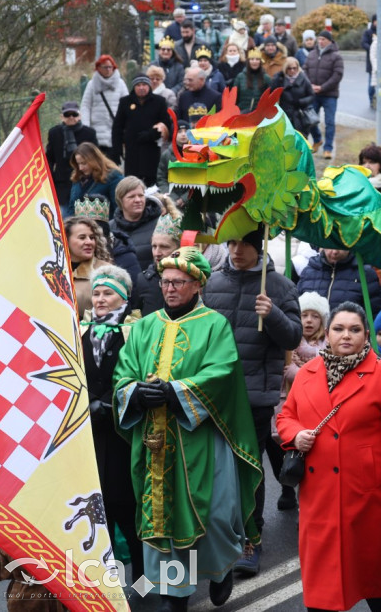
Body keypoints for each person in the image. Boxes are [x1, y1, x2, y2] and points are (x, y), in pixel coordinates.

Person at [113, 247, 263, 612]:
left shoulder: (214, 324)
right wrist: (135, 392)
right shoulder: (144, 326)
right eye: (165, 281)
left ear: (197, 285)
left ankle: (220, 567)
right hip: (155, 442)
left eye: (178, 282)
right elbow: (124, 373)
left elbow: (223, 371)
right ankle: (173, 597)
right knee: (161, 520)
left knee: (211, 514)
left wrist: (176, 391)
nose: (170, 288)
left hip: (200, 436)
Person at [277, 301, 381, 612]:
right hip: (318, 493)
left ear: (366, 335)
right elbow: (285, 417)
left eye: (354, 330)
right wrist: (295, 434)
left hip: (366, 491)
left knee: (373, 571)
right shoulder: (306, 374)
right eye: (339, 329)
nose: (346, 335)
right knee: (320, 575)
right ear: (327, 334)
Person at [203, 227, 302, 577]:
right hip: (213, 396)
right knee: (215, 470)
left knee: (248, 469)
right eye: (231, 243)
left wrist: (272, 312)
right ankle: (216, 537)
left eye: (244, 243)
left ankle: (251, 539)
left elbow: (292, 335)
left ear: (258, 246)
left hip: (254, 397)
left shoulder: (279, 286)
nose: (237, 250)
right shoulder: (212, 283)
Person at [80, 265, 143, 584]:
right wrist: (89, 400)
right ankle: (110, 585)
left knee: (127, 511)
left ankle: (143, 582)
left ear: (122, 298)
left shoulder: (134, 331)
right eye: (96, 293)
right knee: (98, 515)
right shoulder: (79, 330)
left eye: (107, 293)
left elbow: (139, 373)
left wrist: (109, 402)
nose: (100, 299)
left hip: (123, 435)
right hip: (90, 438)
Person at [279, 291, 330, 511]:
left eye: (314, 316)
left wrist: (296, 372)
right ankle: (288, 487)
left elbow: (322, 372)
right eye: (304, 315)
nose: (308, 320)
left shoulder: (327, 345)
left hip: (315, 407)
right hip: (289, 401)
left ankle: (307, 504)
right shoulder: (290, 345)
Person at [112, 74, 172, 186]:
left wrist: (151, 134)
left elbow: (166, 123)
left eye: (144, 84)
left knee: (151, 182)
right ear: (134, 87)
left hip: (151, 148)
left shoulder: (159, 101)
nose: (141, 88)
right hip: (132, 149)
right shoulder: (125, 102)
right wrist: (117, 149)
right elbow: (117, 127)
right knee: (132, 182)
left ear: (149, 86)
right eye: (138, 85)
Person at [296, 248, 381, 315]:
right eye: (330, 246)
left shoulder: (364, 273)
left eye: (339, 247)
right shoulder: (309, 271)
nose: (334, 252)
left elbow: (374, 314)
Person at [302, 29, 344, 159]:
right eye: (319, 39)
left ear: (329, 41)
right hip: (313, 94)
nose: (320, 41)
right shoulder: (312, 54)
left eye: (323, 39)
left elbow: (337, 75)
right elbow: (305, 70)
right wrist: (311, 86)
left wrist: (323, 87)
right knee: (310, 120)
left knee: (329, 122)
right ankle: (317, 139)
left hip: (330, 94)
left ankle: (328, 148)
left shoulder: (336, 56)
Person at [45, 101, 97, 206]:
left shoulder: (89, 133)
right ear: (62, 117)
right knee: (64, 215)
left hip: (85, 180)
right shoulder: (54, 133)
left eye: (74, 114)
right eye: (67, 115)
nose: (71, 117)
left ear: (79, 116)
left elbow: (96, 157)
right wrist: (51, 178)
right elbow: (49, 158)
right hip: (62, 182)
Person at [131, 213, 181, 317]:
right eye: (154, 246)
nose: (157, 253)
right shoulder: (143, 280)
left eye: (164, 247)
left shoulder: (191, 279)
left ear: (178, 248)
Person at [80, 54, 128, 162]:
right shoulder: (92, 84)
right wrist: (86, 127)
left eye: (110, 67)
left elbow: (126, 107)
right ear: (98, 68)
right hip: (96, 132)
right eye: (105, 67)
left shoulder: (120, 84)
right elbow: (85, 106)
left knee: (113, 166)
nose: (108, 70)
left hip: (115, 131)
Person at [110, 177, 164, 271]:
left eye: (141, 195)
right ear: (120, 200)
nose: (138, 200)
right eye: (131, 197)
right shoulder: (110, 227)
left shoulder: (159, 224)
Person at [66, 216, 111, 317]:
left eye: (92, 238)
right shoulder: (53, 271)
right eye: (82, 238)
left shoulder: (105, 271)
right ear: (66, 240)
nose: (89, 242)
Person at [65, 143, 122, 218]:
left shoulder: (113, 177)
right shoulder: (77, 178)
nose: (80, 168)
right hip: (79, 227)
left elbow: (118, 208)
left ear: (94, 160)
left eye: (83, 163)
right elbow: (72, 208)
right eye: (78, 164)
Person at [270, 57, 315, 136]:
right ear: (285, 68)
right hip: (285, 114)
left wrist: (301, 102)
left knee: (300, 139)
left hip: (300, 115)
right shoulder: (280, 79)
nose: (292, 71)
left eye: (294, 68)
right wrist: (276, 79)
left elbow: (311, 95)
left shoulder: (304, 79)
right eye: (289, 68)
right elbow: (272, 93)